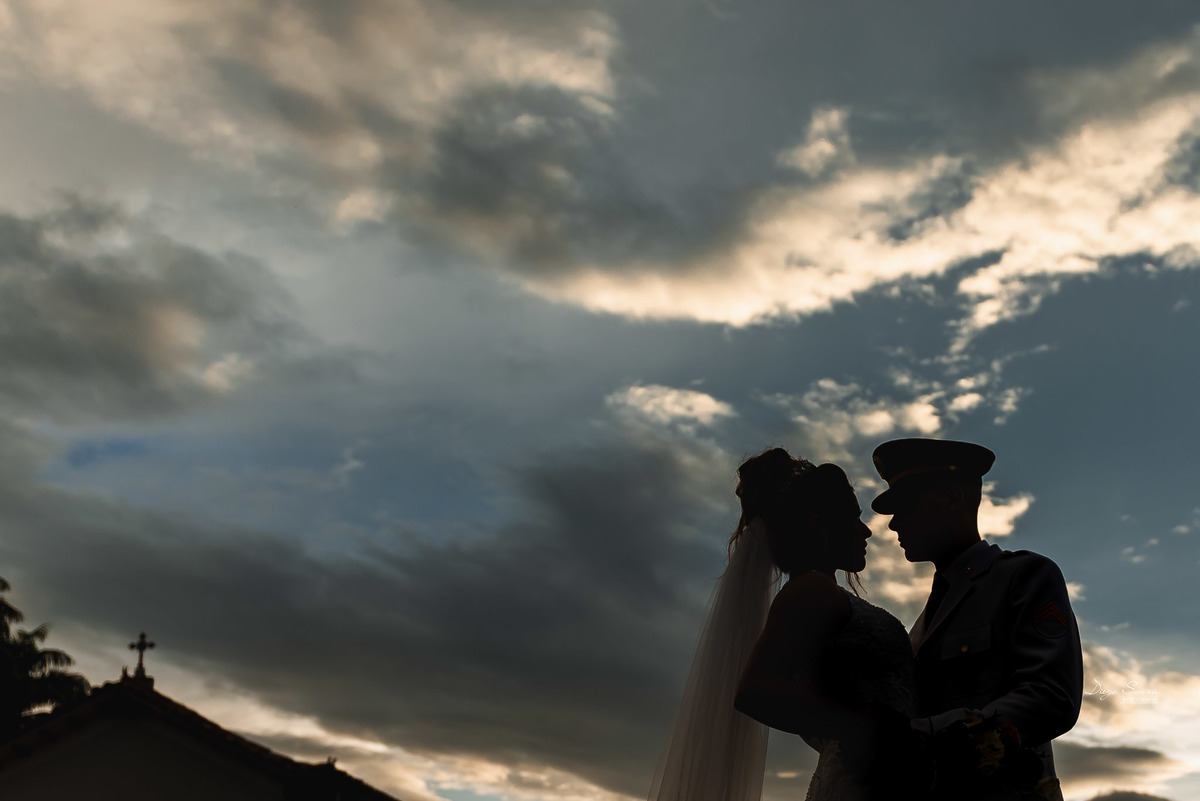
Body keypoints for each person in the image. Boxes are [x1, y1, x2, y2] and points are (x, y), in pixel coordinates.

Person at [648, 448, 921, 801]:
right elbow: (756, 692)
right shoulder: (813, 590)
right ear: (820, 525)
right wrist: (867, 729)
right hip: (862, 783)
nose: (866, 530)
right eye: (853, 518)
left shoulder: (818, 591)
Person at [871, 437, 1083, 800]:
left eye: (906, 505)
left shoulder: (1024, 576)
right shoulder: (920, 624)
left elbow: (1051, 696)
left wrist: (925, 735)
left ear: (953, 498)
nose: (893, 524)